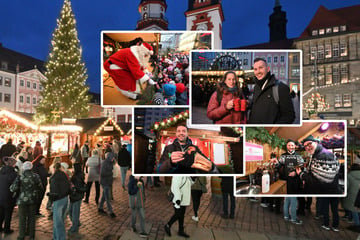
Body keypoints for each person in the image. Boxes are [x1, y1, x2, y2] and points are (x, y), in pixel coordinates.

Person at [248, 58, 295, 124]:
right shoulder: (256, 87)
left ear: (268, 69)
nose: (258, 71)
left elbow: (289, 116)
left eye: (261, 68)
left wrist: (272, 128)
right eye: (255, 69)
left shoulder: (280, 88)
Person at [272, 139, 304, 224]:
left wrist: (295, 173)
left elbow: (301, 166)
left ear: (295, 146)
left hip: (296, 180)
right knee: (288, 199)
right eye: (289, 145)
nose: (291, 147)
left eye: (292, 145)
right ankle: (289, 217)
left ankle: (288, 215)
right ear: (287, 146)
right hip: (286, 180)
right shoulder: (283, 156)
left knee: (293, 198)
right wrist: (276, 163)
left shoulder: (298, 155)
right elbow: (279, 166)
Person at [10, 161, 43, 240]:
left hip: (22, 200)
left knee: (22, 218)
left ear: (23, 168)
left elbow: (12, 188)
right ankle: (31, 235)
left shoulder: (20, 176)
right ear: (31, 167)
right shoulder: (36, 176)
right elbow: (41, 188)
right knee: (32, 217)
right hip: (33, 199)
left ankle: (21, 235)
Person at [48, 162, 71, 240]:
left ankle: (60, 238)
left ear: (53, 168)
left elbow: (54, 192)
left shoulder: (54, 178)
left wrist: (51, 198)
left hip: (58, 200)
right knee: (59, 220)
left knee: (58, 222)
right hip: (65, 198)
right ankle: (55, 237)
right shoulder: (64, 175)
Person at [0, 157, 18, 234]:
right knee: (8, 213)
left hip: (0, 195)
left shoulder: (1, 172)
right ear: (13, 164)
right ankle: (7, 229)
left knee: (1, 213)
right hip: (9, 196)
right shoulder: (14, 174)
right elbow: (16, 186)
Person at [68, 163, 87, 235]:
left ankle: (74, 227)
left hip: (76, 196)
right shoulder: (78, 175)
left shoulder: (77, 177)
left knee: (74, 212)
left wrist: (72, 187)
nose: (72, 168)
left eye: (73, 167)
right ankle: (76, 223)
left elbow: (78, 187)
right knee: (71, 211)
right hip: (75, 196)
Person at [343, 156, 360, 232]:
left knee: (354, 210)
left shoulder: (349, 176)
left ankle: (357, 224)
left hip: (352, 195)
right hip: (359, 195)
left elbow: (347, 186)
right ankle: (354, 221)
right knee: (358, 210)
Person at [98, 152, 116, 218]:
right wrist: (110, 173)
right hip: (105, 182)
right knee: (107, 197)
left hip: (108, 181)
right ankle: (111, 211)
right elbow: (102, 173)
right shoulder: (104, 163)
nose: (113, 158)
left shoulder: (110, 163)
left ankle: (100, 207)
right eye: (112, 157)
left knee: (104, 196)